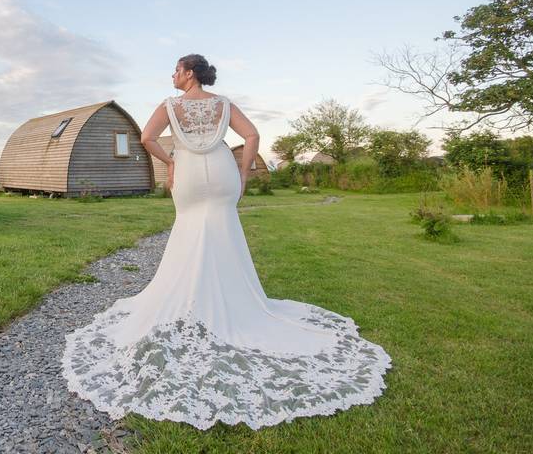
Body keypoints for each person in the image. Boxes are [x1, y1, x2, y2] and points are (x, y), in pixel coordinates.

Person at [60, 54, 393, 431]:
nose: (172, 75)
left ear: (189, 74)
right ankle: (234, 303)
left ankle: (190, 301)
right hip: (221, 171)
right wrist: (243, 169)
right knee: (223, 229)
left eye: (176, 69)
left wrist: (170, 162)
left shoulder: (170, 106)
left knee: (189, 228)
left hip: (187, 171)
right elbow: (251, 135)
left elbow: (146, 138)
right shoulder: (224, 105)